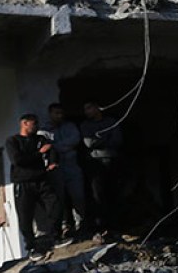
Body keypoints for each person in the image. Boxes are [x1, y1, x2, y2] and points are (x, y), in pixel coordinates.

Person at [5, 114, 61, 257]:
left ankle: (55, 235)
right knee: (25, 216)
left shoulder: (40, 139)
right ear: (24, 124)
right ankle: (31, 246)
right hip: (23, 182)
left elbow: (50, 148)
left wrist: (52, 162)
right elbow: (17, 160)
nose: (36, 126)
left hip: (41, 179)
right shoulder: (13, 141)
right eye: (34, 124)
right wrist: (38, 154)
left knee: (54, 204)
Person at [80, 102, 123, 231]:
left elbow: (118, 140)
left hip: (112, 160)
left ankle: (116, 225)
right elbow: (89, 143)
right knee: (98, 195)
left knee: (114, 193)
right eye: (85, 109)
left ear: (97, 108)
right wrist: (106, 137)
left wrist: (99, 139)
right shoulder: (85, 125)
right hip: (95, 162)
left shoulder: (111, 121)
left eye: (89, 108)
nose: (87, 112)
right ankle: (101, 227)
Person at [46, 104, 86, 239]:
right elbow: (44, 146)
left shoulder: (70, 127)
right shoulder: (44, 130)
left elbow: (74, 140)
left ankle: (81, 223)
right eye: (56, 113)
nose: (59, 116)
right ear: (50, 114)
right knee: (59, 200)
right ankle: (65, 226)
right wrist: (57, 148)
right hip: (55, 169)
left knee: (78, 196)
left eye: (61, 113)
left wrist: (55, 146)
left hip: (71, 166)